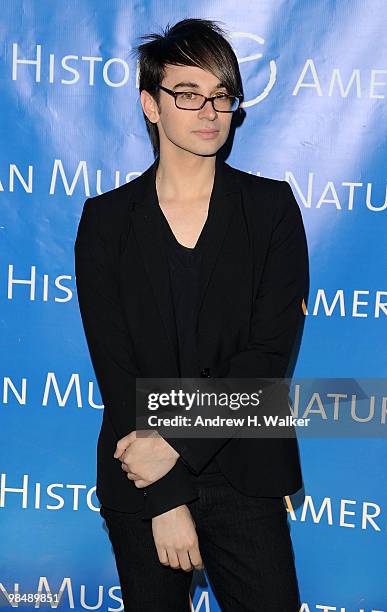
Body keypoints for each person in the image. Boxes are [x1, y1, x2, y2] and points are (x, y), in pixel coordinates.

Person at [74, 17, 309, 612]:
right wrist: (166, 495)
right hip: (142, 476)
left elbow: (266, 360)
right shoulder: (106, 222)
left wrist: (173, 442)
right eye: (187, 94)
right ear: (151, 105)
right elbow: (118, 372)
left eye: (221, 95)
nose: (208, 110)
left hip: (244, 472)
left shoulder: (271, 209)